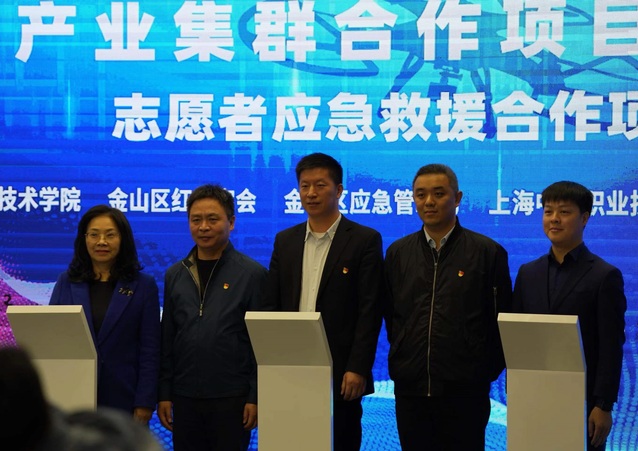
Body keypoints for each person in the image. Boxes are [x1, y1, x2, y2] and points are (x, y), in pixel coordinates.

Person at [384, 163, 512, 451]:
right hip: (411, 389)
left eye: (439, 193)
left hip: (466, 391)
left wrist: (482, 370)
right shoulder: (398, 253)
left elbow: (500, 320)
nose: (429, 201)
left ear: (457, 198)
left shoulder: (487, 252)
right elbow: (392, 316)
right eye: (421, 195)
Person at [265, 153, 384, 451]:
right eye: (304, 186)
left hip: (341, 371)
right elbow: (273, 305)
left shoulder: (364, 240)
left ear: (339, 190)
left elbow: (369, 310)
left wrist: (358, 367)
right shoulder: (285, 241)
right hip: (292, 367)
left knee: (341, 439)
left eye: (320, 185)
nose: (311, 193)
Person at [512, 181, 626, 450]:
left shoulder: (604, 275)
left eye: (564, 212)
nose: (554, 219)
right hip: (532, 398)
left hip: (583, 401)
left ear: (584, 218)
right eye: (548, 211)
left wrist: (603, 404)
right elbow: (516, 336)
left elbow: (611, 346)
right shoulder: (528, 273)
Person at [158, 184, 267, 451]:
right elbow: (167, 338)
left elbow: (261, 345)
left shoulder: (252, 275)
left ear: (231, 222)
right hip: (184, 395)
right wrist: (164, 393)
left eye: (212, 219)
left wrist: (255, 395)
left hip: (232, 396)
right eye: (196, 220)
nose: (203, 227)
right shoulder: (175, 274)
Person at [49, 205, 160, 423]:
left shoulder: (143, 286)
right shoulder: (66, 282)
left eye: (110, 235)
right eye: (94, 235)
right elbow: (54, 342)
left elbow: (150, 350)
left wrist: (145, 401)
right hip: (73, 397)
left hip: (124, 398)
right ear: (84, 239)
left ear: (123, 239)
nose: (101, 242)